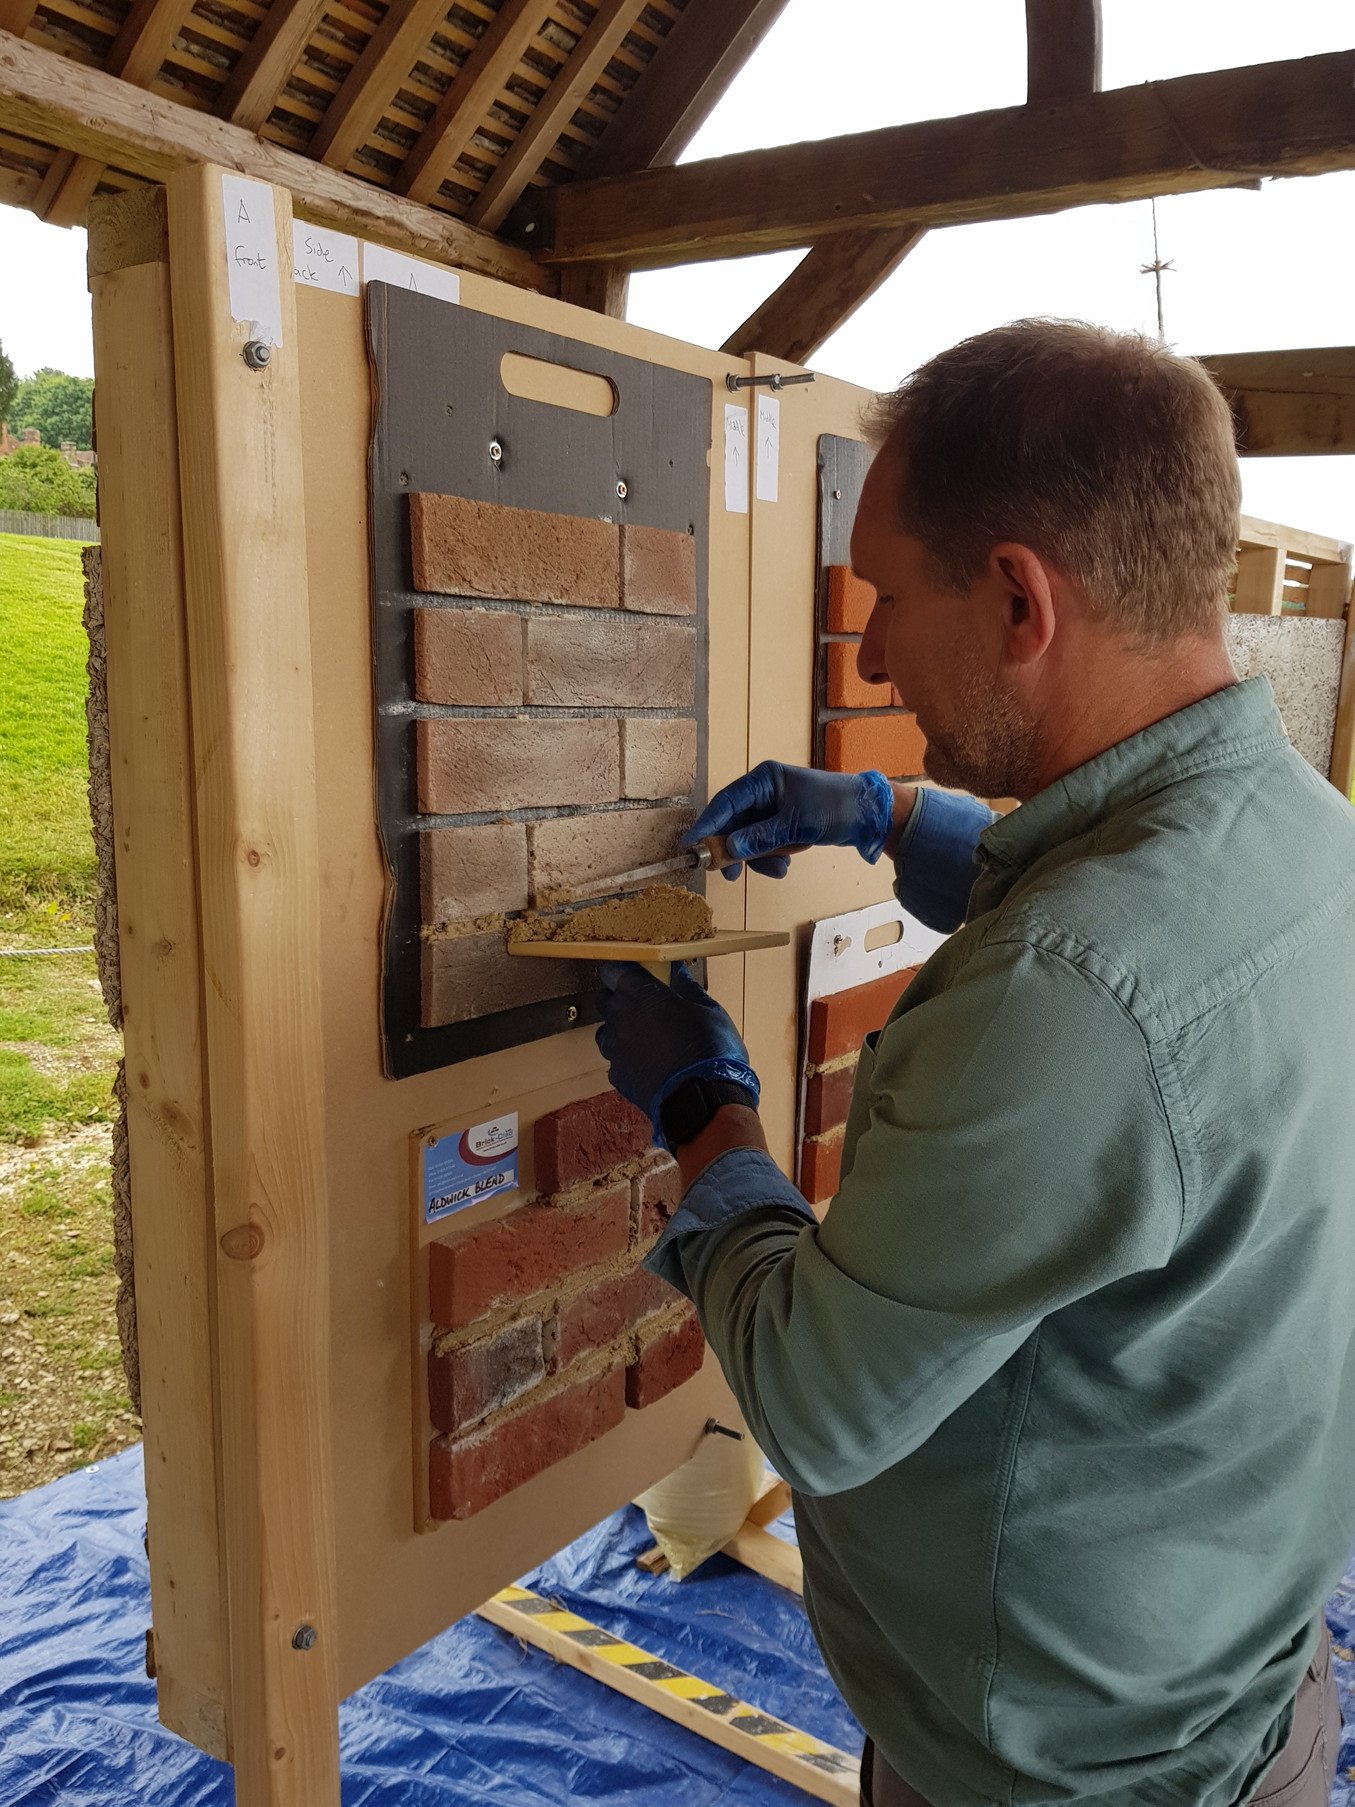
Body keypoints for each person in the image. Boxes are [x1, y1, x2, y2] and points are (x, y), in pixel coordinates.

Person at [594, 320, 1355, 1807]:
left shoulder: (1064, 998)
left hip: (1052, 1771)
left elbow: (817, 1400)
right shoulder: (1311, 839)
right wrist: (890, 816)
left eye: (889, 593)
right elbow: (1130, 914)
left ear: (1019, 597)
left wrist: (706, 1112)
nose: (868, 648)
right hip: (1228, 1686)